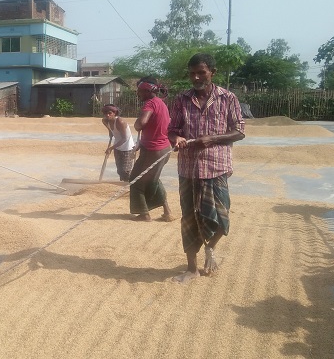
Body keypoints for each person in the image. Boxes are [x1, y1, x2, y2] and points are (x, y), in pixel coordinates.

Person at [168, 53, 245, 283]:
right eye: (192, 73)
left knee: (221, 218)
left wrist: (211, 139)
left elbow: (239, 131)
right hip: (188, 169)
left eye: (201, 72)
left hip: (216, 167)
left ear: (213, 72)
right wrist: (176, 138)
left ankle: (210, 248)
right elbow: (172, 129)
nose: (196, 77)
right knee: (188, 219)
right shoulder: (181, 99)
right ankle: (191, 268)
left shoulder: (228, 98)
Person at [130, 76, 176, 222]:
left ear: (146, 90)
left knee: (136, 180)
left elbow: (141, 123)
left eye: (139, 91)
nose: (138, 94)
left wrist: (137, 123)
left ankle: (144, 214)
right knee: (153, 180)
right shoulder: (161, 103)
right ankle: (167, 212)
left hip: (153, 151)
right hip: (163, 149)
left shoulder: (149, 104)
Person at [101, 104, 135, 181]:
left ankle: (130, 185)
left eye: (110, 113)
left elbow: (124, 138)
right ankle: (123, 184)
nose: (108, 115)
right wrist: (110, 131)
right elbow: (108, 126)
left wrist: (111, 148)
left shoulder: (120, 121)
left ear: (115, 113)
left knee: (125, 170)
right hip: (118, 147)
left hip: (128, 148)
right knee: (120, 171)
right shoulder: (105, 121)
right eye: (106, 113)